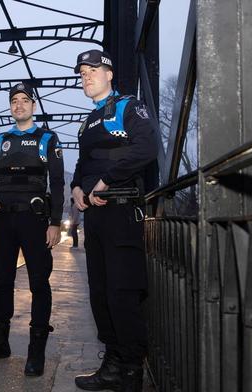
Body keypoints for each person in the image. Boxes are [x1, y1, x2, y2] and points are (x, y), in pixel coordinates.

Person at [70, 49, 158, 391]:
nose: (86, 76)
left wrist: (107, 180)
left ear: (109, 73)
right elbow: (82, 165)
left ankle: (132, 372)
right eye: (81, 73)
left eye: (92, 69)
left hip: (121, 210)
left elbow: (145, 148)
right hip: (94, 216)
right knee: (100, 293)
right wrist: (77, 188)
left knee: (123, 292)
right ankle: (112, 363)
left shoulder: (128, 106)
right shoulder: (87, 121)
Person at [0, 82, 64, 377]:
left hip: (34, 221)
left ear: (33, 105)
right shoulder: (2, 140)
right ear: (10, 107)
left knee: (39, 284)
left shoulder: (47, 138)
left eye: (24, 100)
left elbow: (58, 183)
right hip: (3, 221)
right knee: (2, 281)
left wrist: (55, 222)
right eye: (14, 101)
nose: (19, 105)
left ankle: (36, 350)